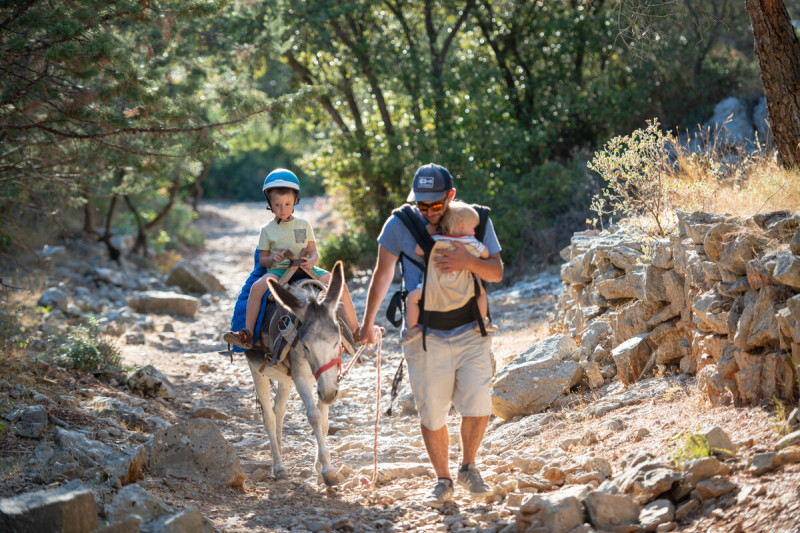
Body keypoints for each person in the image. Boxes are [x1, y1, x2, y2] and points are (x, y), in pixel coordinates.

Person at [358, 163, 503, 508]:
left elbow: (496, 271)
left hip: (471, 329)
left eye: (436, 205)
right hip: (425, 336)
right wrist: (366, 324)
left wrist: (466, 260)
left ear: (450, 196)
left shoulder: (475, 219)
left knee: (478, 403)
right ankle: (443, 479)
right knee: (432, 412)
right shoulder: (399, 225)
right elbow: (382, 275)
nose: (428, 212)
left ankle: (468, 466)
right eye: (422, 205)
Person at [224, 168, 359, 349]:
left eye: (287, 204)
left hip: (305, 269)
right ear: (269, 203)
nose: (282, 209)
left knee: (339, 285)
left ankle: (356, 329)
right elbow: (262, 260)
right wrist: (273, 258)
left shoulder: (303, 225)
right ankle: (247, 333)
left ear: (296, 200)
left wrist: (311, 260)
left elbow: (314, 252)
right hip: (279, 271)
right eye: (277, 204)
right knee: (256, 288)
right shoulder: (267, 230)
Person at [400, 200, 499, 345]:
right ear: (462, 226)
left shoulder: (436, 239)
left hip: (434, 287)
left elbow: (418, 251)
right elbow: (485, 253)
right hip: (463, 288)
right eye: (474, 227)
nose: (475, 231)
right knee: (481, 293)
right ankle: (482, 322)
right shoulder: (471, 241)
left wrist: (430, 232)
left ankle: (412, 329)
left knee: (412, 299)